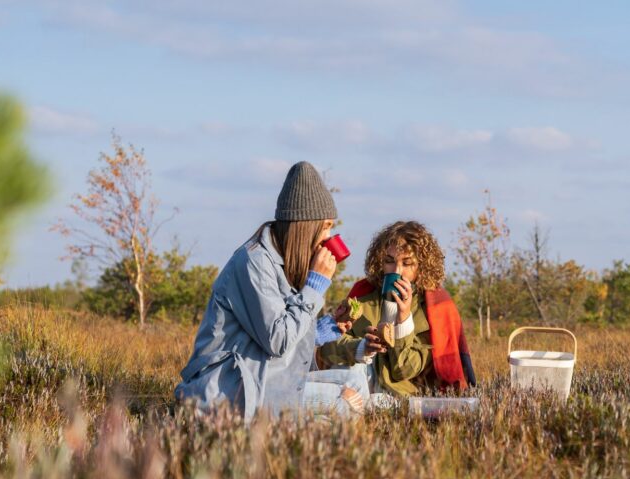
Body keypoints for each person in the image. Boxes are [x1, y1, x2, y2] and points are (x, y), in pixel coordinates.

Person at [175, 161, 365, 422]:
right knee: (344, 403)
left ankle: (299, 437)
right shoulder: (253, 263)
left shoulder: (283, 261)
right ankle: (291, 447)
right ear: (306, 226)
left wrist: (322, 330)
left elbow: (279, 334)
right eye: (327, 226)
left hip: (269, 377)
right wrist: (315, 285)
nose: (330, 236)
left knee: (355, 380)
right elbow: (278, 340)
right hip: (234, 388)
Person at [317, 221, 476, 397]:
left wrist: (404, 319)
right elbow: (327, 347)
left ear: (421, 267)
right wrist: (362, 348)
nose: (397, 271)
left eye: (407, 263)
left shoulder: (433, 309)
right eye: (389, 261)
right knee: (353, 374)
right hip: (356, 382)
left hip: (398, 396)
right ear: (380, 263)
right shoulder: (362, 296)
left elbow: (404, 370)